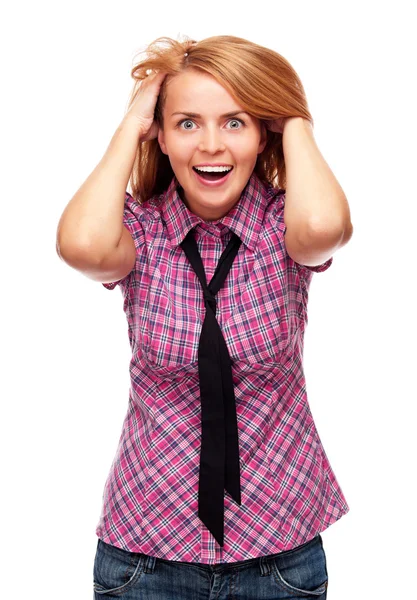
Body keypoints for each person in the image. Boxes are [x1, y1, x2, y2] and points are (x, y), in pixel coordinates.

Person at [56, 34, 353, 599]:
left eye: (236, 122)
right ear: (161, 135)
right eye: (187, 123)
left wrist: (294, 119)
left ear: (262, 131)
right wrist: (128, 127)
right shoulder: (138, 231)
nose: (211, 145)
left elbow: (323, 230)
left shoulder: (281, 226)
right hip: (146, 550)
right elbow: (82, 246)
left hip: (281, 549)